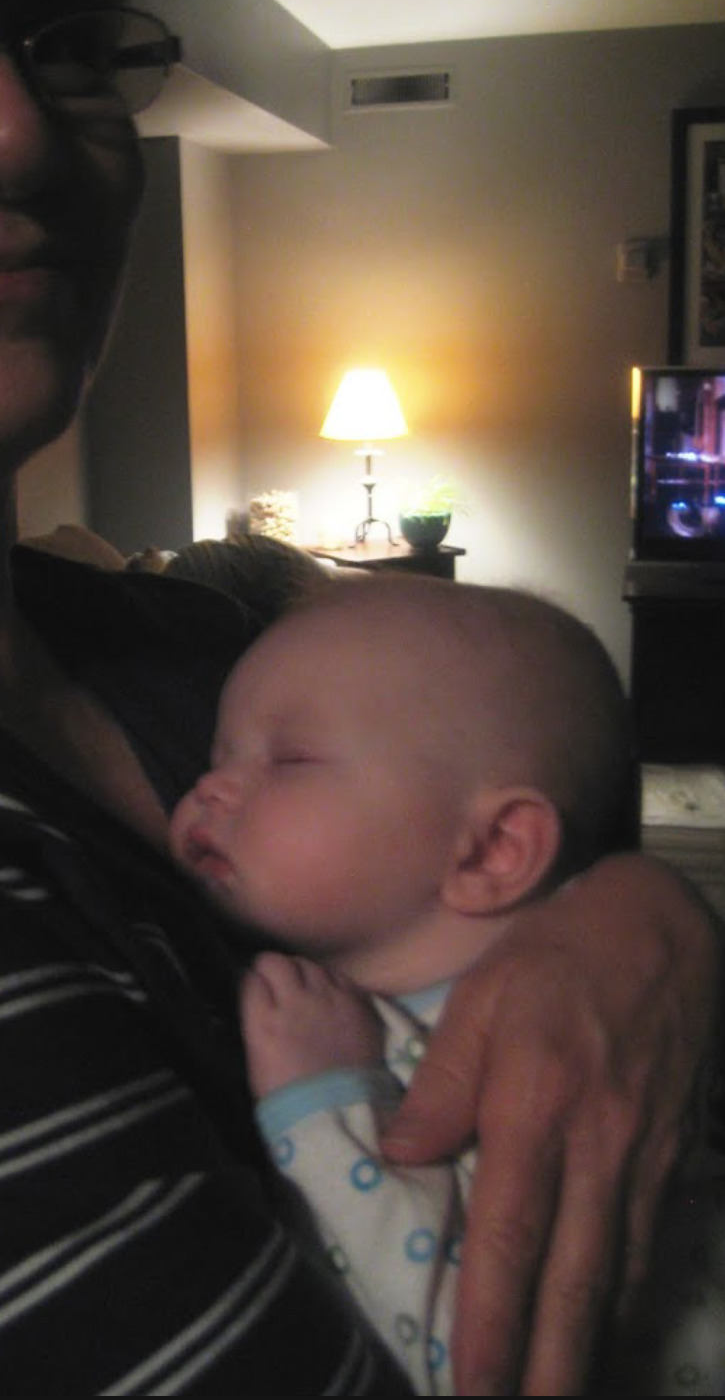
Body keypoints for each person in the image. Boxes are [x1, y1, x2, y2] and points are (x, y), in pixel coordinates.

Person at [0, 0, 718, 1392]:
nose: (17, 129)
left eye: (63, 39)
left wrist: (639, 914)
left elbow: (491, 839)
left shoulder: (196, 644)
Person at [169, 575, 725, 1395]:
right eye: (216, 758)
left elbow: (472, 1357)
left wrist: (325, 1106)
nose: (208, 788)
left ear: (492, 850)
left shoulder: (527, 1058)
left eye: (289, 760)